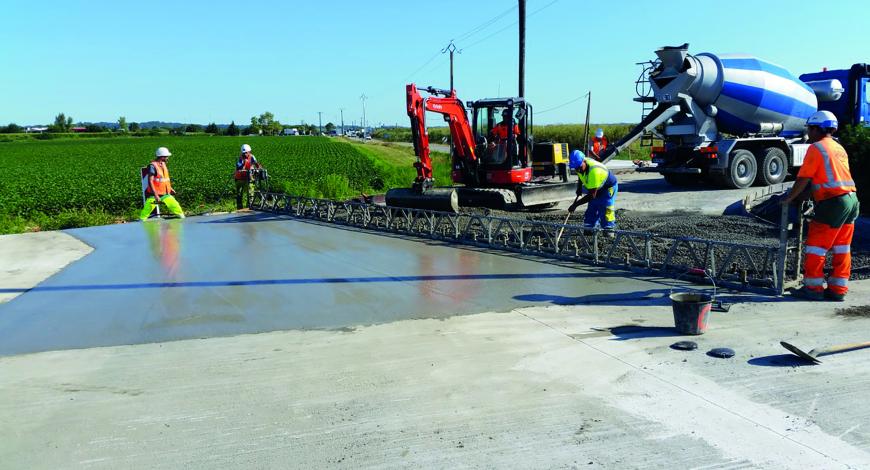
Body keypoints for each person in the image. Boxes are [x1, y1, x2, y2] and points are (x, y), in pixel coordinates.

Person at [782, 110, 858, 301]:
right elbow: (831, 179)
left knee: (816, 247)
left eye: (810, 129)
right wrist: (809, 194)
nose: (808, 133)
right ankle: (838, 290)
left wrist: (789, 199)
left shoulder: (816, 148)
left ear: (817, 129)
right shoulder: (838, 147)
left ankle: (813, 290)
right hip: (851, 200)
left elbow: (803, 178)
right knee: (842, 247)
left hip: (833, 203)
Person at [568, 150, 618, 231]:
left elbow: (592, 195)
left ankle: (609, 230)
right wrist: (579, 187)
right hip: (595, 187)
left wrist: (575, 205)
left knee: (605, 208)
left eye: (579, 167)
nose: (578, 170)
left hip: (607, 187)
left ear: (584, 161)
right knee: (592, 207)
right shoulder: (579, 165)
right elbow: (580, 175)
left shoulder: (594, 171)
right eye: (575, 168)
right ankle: (590, 228)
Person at [139, 147, 184, 220]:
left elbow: (164, 179)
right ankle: (141, 221)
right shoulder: (152, 166)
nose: (168, 158)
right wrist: (156, 195)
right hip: (154, 194)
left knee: (175, 205)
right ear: (162, 157)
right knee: (147, 209)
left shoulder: (163, 164)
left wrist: (170, 189)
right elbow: (150, 181)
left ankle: (182, 217)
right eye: (166, 157)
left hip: (165, 193)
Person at [235, 143, 262, 209]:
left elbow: (257, 164)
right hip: (239, 179)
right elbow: (238, 167)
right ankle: (239, 208)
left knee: (250, 193)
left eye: (246, 152)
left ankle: (250, 207)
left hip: (248, 178)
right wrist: (243, 164)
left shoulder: (252, 157)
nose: (245, 154)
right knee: (239, 194)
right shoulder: (240, 158)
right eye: (244, 153)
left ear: (249, 151)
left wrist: (259, 169)